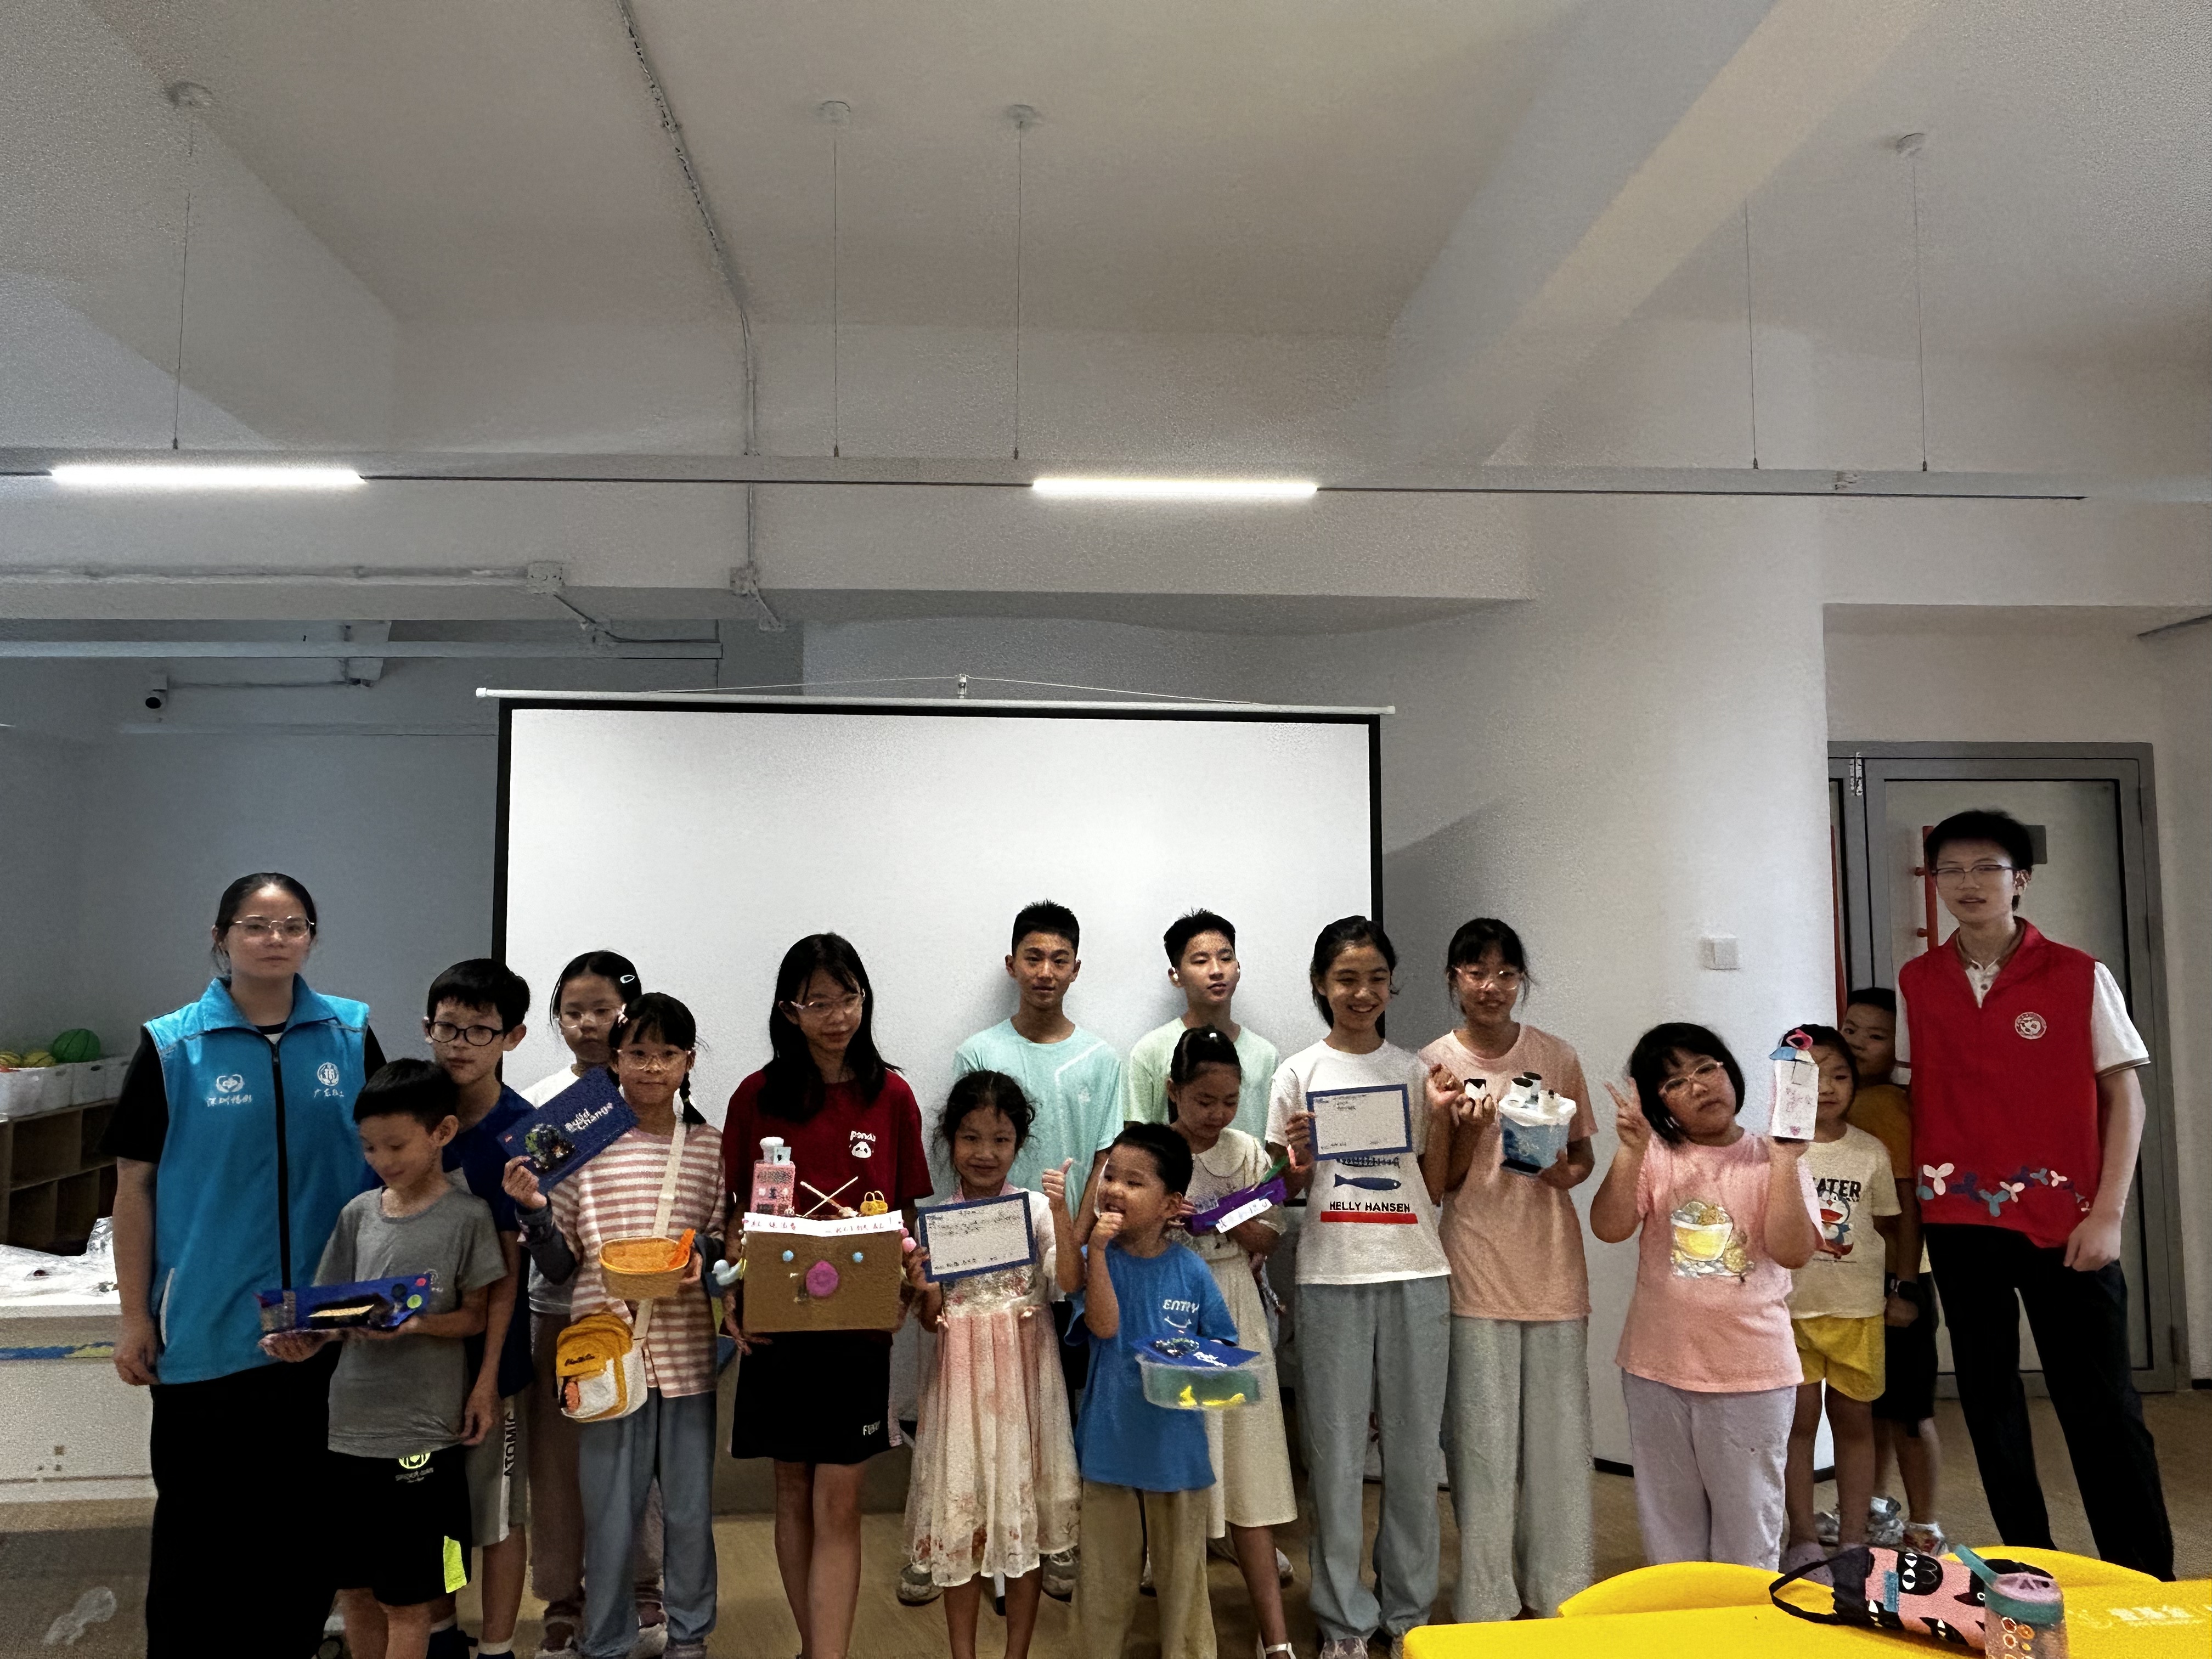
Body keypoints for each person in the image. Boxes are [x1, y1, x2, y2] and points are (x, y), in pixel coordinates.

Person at [103, 872, 385, 1658]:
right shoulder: (173, 1047)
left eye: (293, 925)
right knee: (199, 1536)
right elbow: (134, 1186)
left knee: (304, 1537)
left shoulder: (351, 1035)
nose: (275, 939)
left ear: (312, 939)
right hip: (207, 1332)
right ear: (222, 937)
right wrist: (134, 1316)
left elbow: (391, 1167)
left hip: (325, 1333)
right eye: (256, 925)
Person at [1898, 808, 2172, 1578]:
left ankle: (2141, 1573)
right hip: (1960, 1218)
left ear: (2019, 879)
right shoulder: (1918, 981)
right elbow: (1912, 1094)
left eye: (1986, 868)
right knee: (1988, 1402)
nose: (1967, 883)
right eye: (1951, 870)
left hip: (2067, 1222)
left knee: (2102, 1404)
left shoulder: (2080, 973)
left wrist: (2109, 1214)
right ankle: (2025, 1566)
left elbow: (2125, 1097)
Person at [723, 935, 934, 1659]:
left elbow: (905, 1214)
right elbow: (736, 1215)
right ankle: (815, 1645)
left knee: (840, 1497)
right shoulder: (756, 1096)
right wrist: (733, 1293)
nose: (837, 1016)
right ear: (789, 1010)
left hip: (857, 1328)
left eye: (849, 998)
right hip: (779, 1322)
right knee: (791, 1488)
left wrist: (905, 1283)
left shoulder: (892, 1096)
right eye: (818, 1002)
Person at [265, 1060, 504, 1659]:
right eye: (370, 1147)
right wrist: (299, 1341)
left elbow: (475, 1316)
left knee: (410, 1599)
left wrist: (418, 1323)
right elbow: (327, 1317)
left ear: (441, 1132)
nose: (382, 1160)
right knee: (356, 1590)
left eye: (396, 1146)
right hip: (349, 1430)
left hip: (422, 1433)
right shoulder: (358, 1214)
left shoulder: (468, 1216)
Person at [512, 992, 725, 1659]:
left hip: (687, 1357)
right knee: (607, 1512)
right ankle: (603, 1639)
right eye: (638, 1053)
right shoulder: (578, 1146)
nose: (652, 1067)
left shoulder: (710, 1148)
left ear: (689, 1062)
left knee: (689, 1511)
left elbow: (723, 1247)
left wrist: (705, 1255)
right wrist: (534, 1213)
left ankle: (689, 1638)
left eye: (668, 1054)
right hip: (602, 1356)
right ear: (616, 1060)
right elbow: (559, 1265)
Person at [1268, 916, 1458, 1659]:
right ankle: (1343, 1618)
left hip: (1416, 1269)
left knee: (1412, 1456)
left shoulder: (1416, 1071)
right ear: (1322, 984)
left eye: (1376, 978)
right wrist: (1297, 1161)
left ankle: (1408, 1611)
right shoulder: (1298, 1073)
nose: (1362, 992)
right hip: (1331, 1274)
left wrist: (1444, 1118)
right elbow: (1285, 1191)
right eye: (1346, 979)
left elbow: (1434, 1182)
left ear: (1391, 985)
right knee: (1336, 1455)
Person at [1418, 917, 1596, 1622]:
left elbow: (1582, 1159)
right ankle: (1486, 1601)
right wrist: (1462, 1128)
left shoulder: (1556, 1055)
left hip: (1552, 1267)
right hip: (1474, 1267)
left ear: (1521, 980)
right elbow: (1437, 1185)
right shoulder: (1432, 1064)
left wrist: (1559, 1170)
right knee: (1482, 1450)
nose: (1491, 987)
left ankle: (1562, 1594)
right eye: (1476, 972)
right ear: (1453, 978)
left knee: (1559, 1447)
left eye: (1505, 973)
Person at [1590, 1024, 1818, 1568]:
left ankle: (1742, 1619)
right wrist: (1630, 1151)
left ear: (1729, 1072)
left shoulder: (1772, 1155)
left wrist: (1786, 1163)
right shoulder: (1655, 1155)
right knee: (1669, 1523)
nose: (1697, 1085)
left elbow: (1793, 1252)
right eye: (1674, 1082)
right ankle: (1683, 1617)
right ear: (1659, 1102)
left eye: (1705, 1068)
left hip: (1752, 1374)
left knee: (1749, 1525)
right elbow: (1608, 1227)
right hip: (1657, 1368)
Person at [948, 899, 1122, 1601]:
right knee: (985, 1408)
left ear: (1075, 968)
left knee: (1058, 1404)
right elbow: (966, 1152)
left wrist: (1073, 1237)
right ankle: (971, 1539)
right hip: (988, 1267)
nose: (1045, 971)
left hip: (1064, 1252)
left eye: (1059, 959)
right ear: (1011, 964)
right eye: (1033, 958)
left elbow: (1105, 1157)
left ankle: (1055, 1540)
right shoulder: (979, 1052)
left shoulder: (1100, 1057)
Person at [903, 1072, 1082, 1659]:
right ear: (950, 1140)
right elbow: (932, 1319)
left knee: (1023, 1525)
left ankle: (1017, 1654)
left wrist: (1063, 1212)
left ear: (1018, 1143)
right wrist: (925, 1288)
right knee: (963, 1525)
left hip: (1027, 1383)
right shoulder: (935, 1221)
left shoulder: (1036, 1210)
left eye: (1001, 1140)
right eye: (971, 1138)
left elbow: (1068, 1281)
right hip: (961, 1384)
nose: (985, 1153)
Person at [516, 951, 664, 1659]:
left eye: (603, 1010)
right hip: (558, 1306)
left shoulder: (657, 1093)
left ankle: (643, 1587)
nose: (587, 1024)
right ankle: (562, 1600)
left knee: (639, 1458)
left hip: (641, 1309)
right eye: (572, 1012)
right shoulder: (542, 1102)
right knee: (557, 1464)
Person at [1069, 1124, 1239, 1659]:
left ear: (1170, 1205)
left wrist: (1189, 1365)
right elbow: (1102, 1326)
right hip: (1110, 1447)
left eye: (1134, 1182)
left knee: (1184, 1585)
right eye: (1110, 1177)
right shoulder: (1097, 1260)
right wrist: (1097, 1252)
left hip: (1177, 1454)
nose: (1115, 1190)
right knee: (1102, 1584)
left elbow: (1223, 1350)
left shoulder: (1190, 1269)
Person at [1163, 1028, 1297, 1659]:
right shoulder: (1153, 1150)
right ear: (1174, 1091)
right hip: (1173, 1311)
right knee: (1183, 1475)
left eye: (1229, 1101)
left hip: (1235, 1306)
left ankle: (1277, 1638)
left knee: (1248, 1468)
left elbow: (1268, 1238)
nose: (1217, 1113)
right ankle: (1186, 1638)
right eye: (1203, 1100)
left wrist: (1225, 1215)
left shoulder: (1246, 1151)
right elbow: (1127, 1233)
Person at [420, 958, 536, 1659]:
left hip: (496, 1353)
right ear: (426, 1027)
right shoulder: (411, 1112)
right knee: (431, 1508)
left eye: (479, 1031)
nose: (459, 1044)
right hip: (416, 1354)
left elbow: (517, 1262)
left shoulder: (526, 1131)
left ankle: (497, 1645)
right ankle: (440, 1631)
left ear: (512, 1037)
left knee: (496, 1511)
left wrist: (490, 1376)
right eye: (447, 1028)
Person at [1778, 1025, 1904, 1575]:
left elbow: (1890, 1227)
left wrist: (1900, 1290)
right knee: (1798, 1426)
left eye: (1840, 1076)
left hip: (1857, 1312)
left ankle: (1854, 1538)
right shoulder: (1774, 1151)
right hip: (1790, 1313)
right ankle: (1803, 1537)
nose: (1827, 1088)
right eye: (1810, 1077)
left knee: (1855, 1424)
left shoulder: (1870, 1151)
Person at [1838, 987, 1943, 1553]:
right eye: (1851, 1029)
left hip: (1899, 1279)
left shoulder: (1886, 1106)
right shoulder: (1846, 1101)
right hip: (1857, 1278)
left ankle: (1925, 1526)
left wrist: (1904, 1287)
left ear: (1899, 1047)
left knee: (1909, 1412)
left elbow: (1908, 1207)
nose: (1858, 1043)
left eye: (1876, 1036)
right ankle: (1876, 1510)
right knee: (1871, 1406)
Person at [1123, 909, 1280, 1142]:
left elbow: (1274, 1143)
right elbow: (1134, 1141)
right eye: (1201, 961)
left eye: (1226, 959)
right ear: (1176, 975)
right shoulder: (1150, 1051)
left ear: (1238, 968)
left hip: (1249, 1166)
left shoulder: (1265, 1055)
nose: (1216, 971)